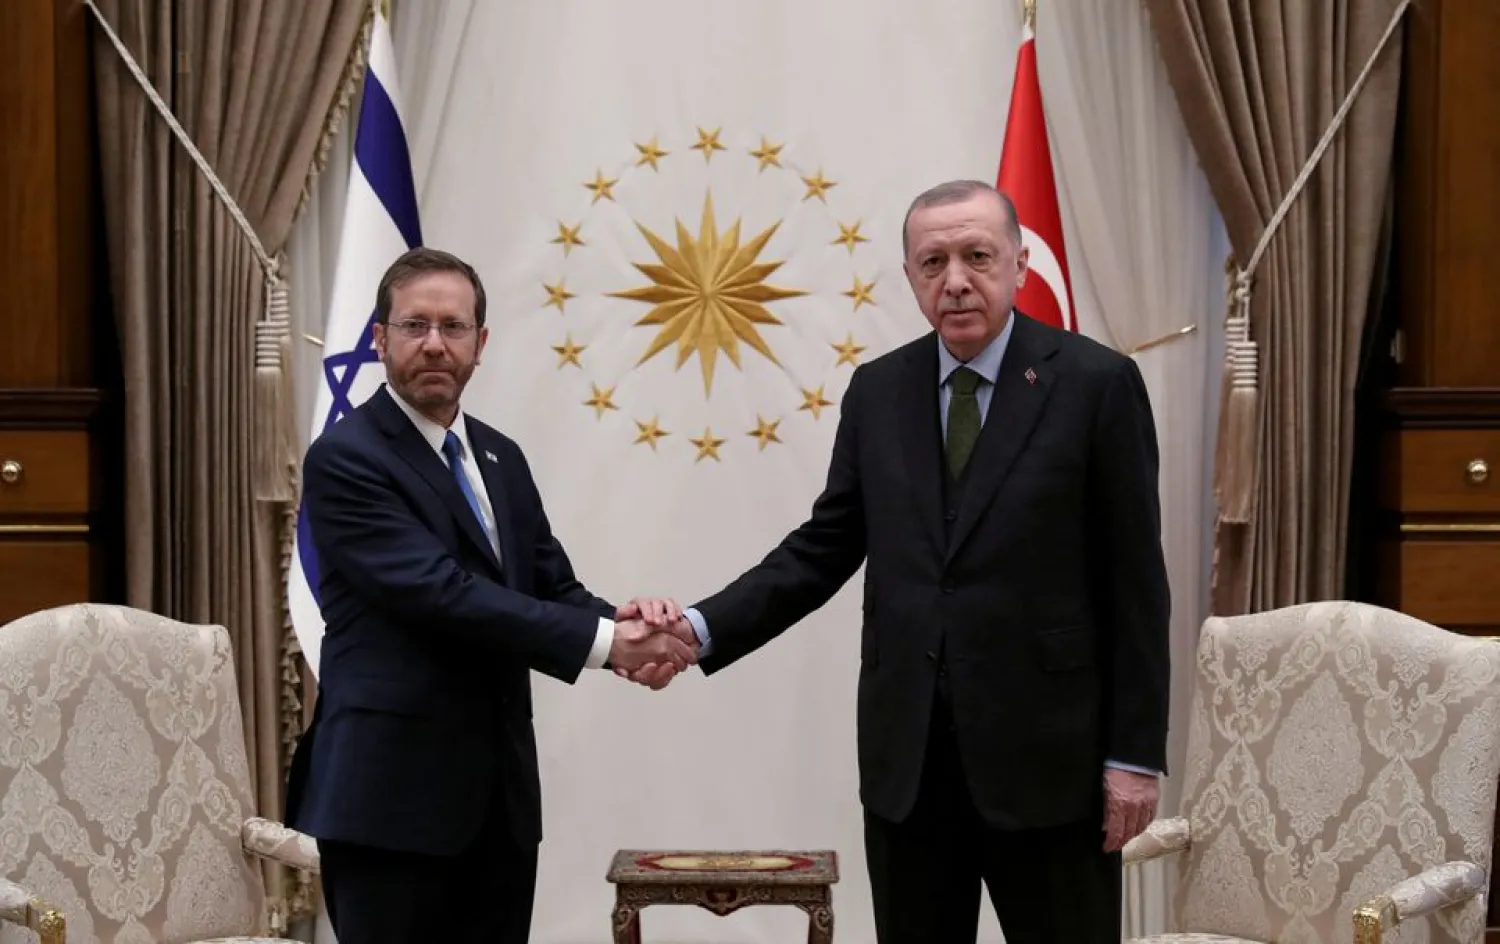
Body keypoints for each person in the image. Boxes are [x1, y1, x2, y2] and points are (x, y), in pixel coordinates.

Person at [626, 180, 1170, 943]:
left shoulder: (1097, 385)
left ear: (1018, 263)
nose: (955, 280)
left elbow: (1137, 587)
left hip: (1052, 766)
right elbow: (820, 552)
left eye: (978, 256)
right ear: (911, 278)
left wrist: (1135, 757)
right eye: (933, 262)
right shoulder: (878, 391)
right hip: (909, 769)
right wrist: (696, 627)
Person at [285, 247, 694, 944]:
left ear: (482, 343)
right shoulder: (348, 457)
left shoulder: (500, 456)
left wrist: (627, 620)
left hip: (497, 804)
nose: (436, 344)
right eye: (415, 326)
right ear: (380, 339)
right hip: (390, 802)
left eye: (455, 326)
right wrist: (609, 648)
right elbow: (442, 594)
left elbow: (550, 586)